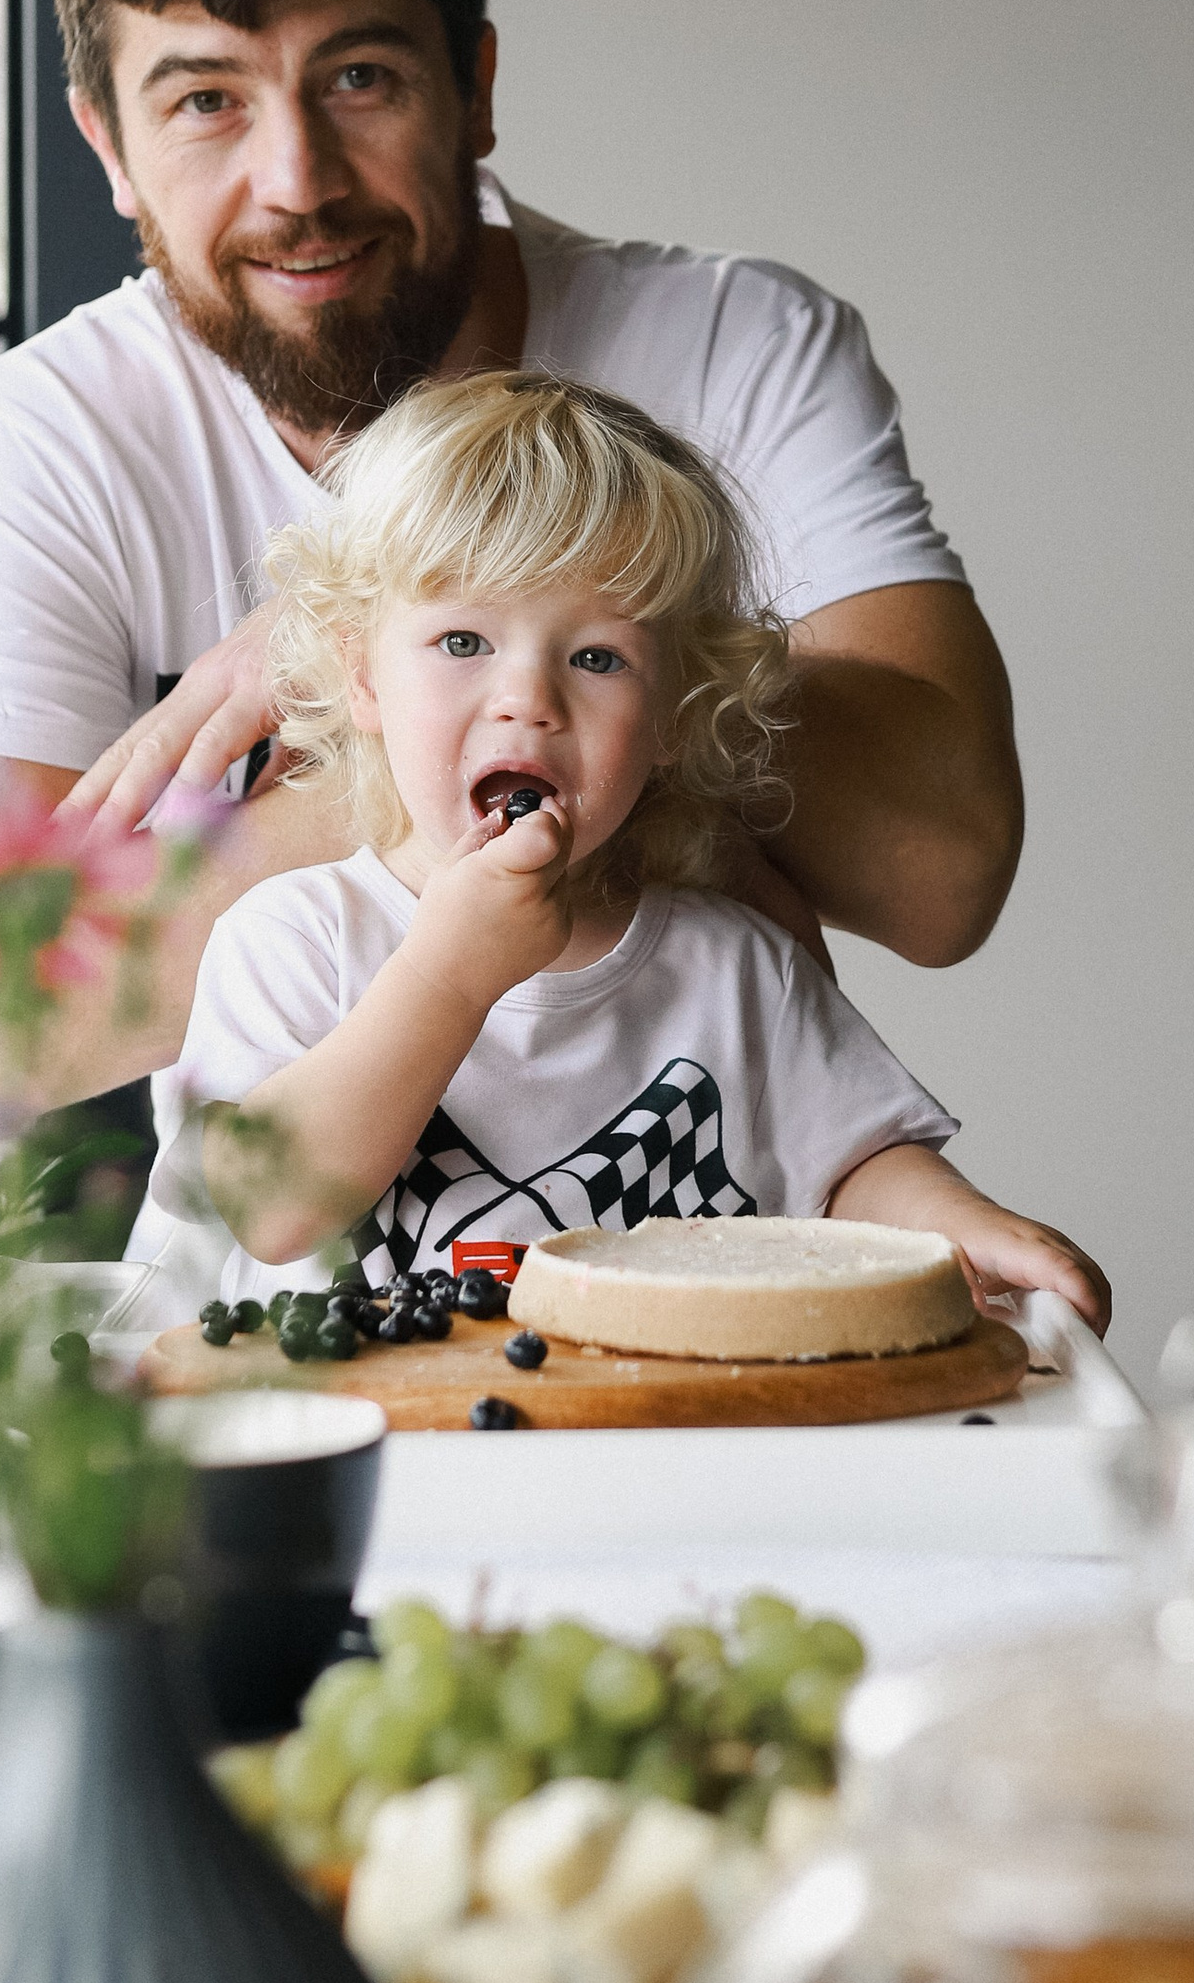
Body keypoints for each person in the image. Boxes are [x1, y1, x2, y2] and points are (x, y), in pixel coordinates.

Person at [0, 0, 1024, 1100]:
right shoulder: (46, 438)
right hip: (303, 1272)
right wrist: (415, 685)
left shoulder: (736, 345)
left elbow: (945, 868)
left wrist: (423, 690)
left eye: (358, 78)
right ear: (108, 145)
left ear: (472, 86)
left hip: (703, 1247)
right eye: (204, 101)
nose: (296, 180)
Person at [125, 373, 1105, 1328]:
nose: (528, 699)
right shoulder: (295, 942)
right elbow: (271, 1208)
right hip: (329, 1467)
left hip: (640, 1460)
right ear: (361, 679)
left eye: (596, 658)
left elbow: (851, 1165)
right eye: (464, 641)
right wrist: (446, 976)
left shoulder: (729, 970)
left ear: (673, 715)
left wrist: (960, 1230)